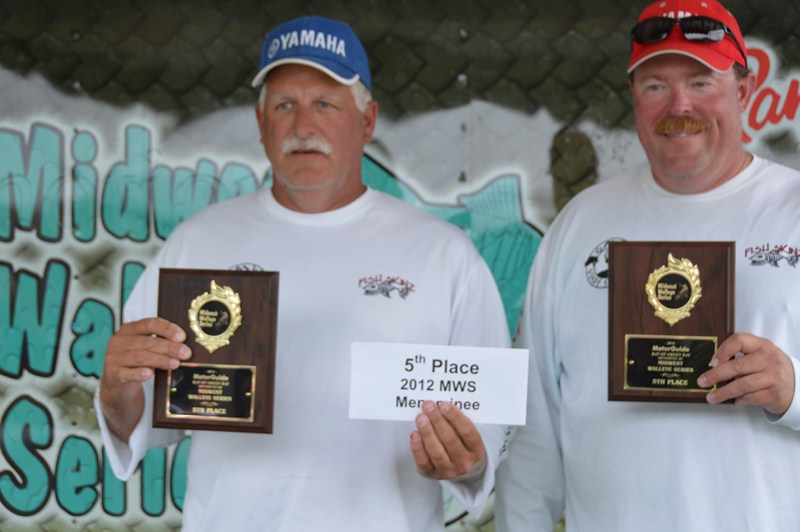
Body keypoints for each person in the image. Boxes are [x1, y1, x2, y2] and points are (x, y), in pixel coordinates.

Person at [95, 15, 512, 531]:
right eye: (285, 105)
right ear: (260, 122)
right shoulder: (196, 244)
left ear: (367, 122)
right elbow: (138, 418)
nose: (303, 127)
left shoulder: (444, 254)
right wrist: (116, 389)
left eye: (325, 105)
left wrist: (467, 460)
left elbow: (488, 430)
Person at [495, 1, 800, 530]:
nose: (679, 105)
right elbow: (532, 425)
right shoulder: (580, 223)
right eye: (657, 84)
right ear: (634, 94)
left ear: (743, 90)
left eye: (701, 82)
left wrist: (792, 389)